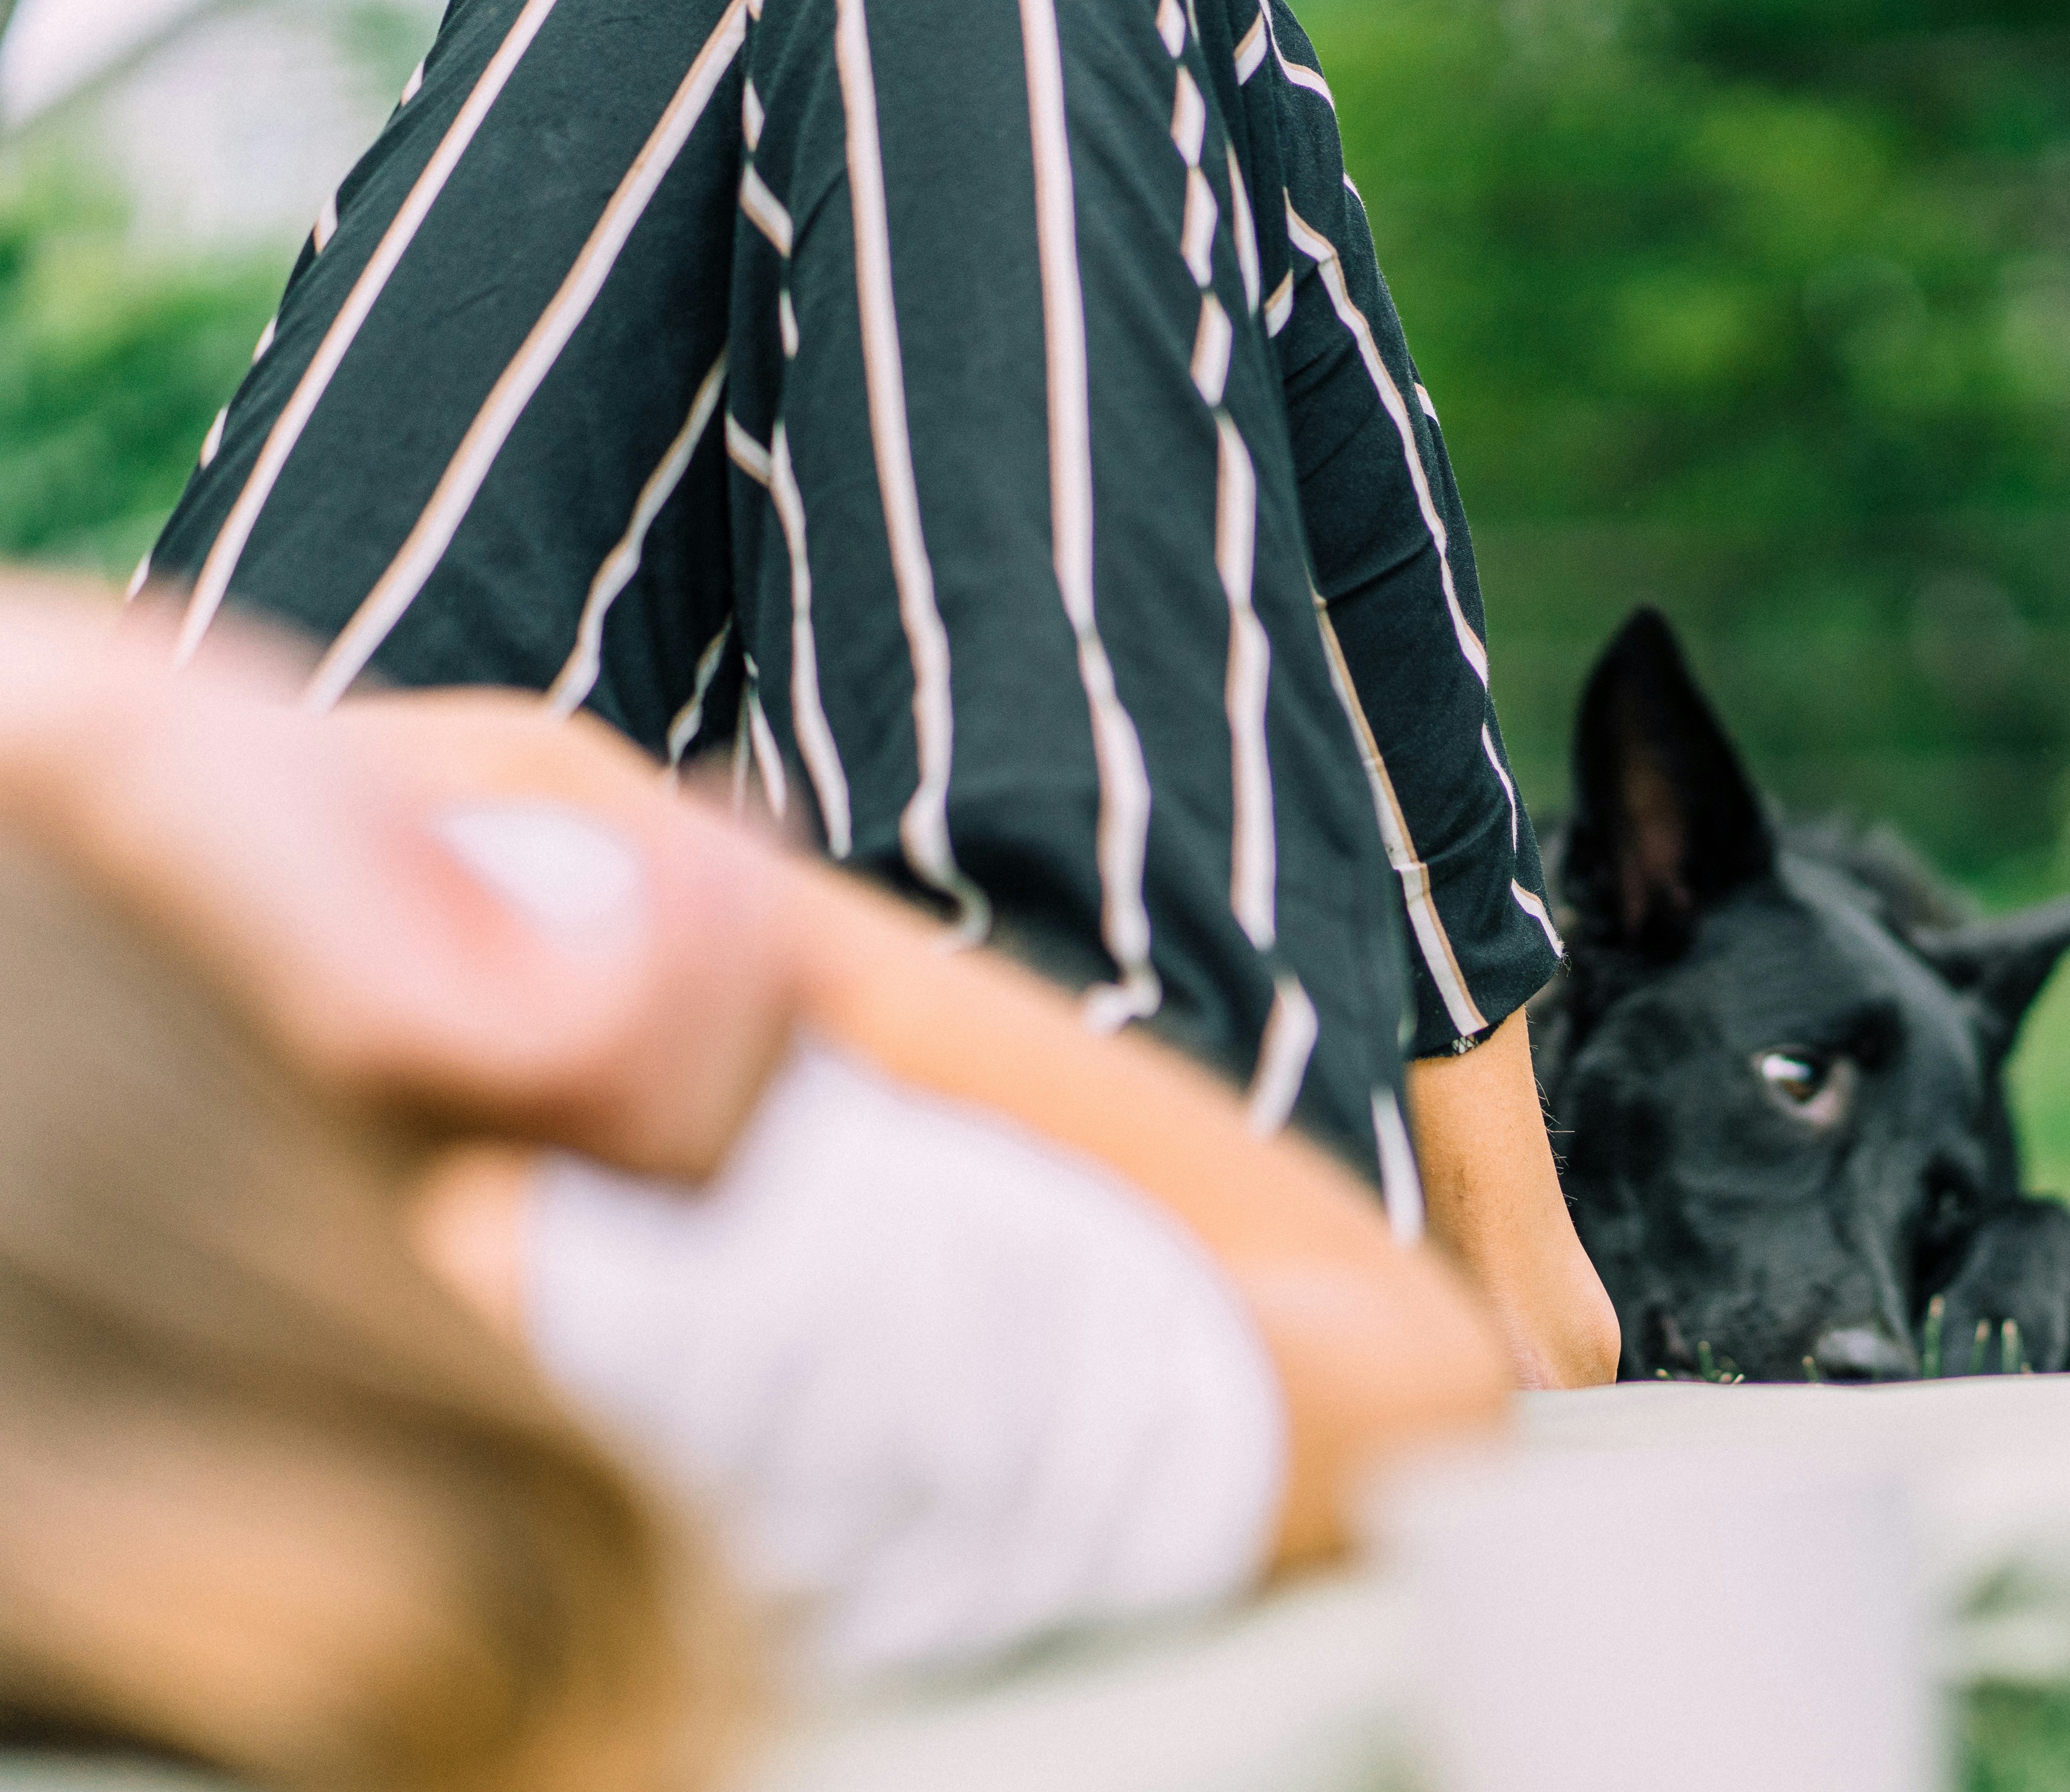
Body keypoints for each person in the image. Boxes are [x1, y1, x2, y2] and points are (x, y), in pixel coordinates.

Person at [128, 0, 1615, 1389]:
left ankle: (1489, 1223)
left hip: (123, 1046)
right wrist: (704, 887)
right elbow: (1344, 1366)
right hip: (218, 1289)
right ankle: (1484, 1217)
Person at [0, 593, 1511, 1791]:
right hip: (257, 952)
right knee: (999, 185)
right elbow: (1408, 1368)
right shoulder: (611, 1263)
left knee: (620, 182)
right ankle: (1507, 1184)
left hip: (173, 962)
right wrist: (574, 807)